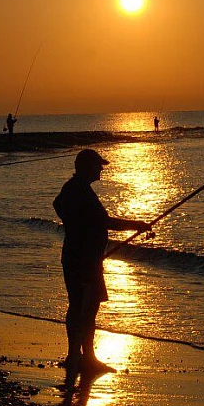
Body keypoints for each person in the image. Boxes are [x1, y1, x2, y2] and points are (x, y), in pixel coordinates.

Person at [53, 149, 151, 388]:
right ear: (86, 167)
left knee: (84, 306)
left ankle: (81, 356)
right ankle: (80, 357)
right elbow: (105, 222)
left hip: (82, 257)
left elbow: (57, 204)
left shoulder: (73, 188)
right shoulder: (79, 190)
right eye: (98, 165)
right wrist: (136, 225)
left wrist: (74, 226)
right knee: (83, 307)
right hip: (83, 260)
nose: (101, 169)